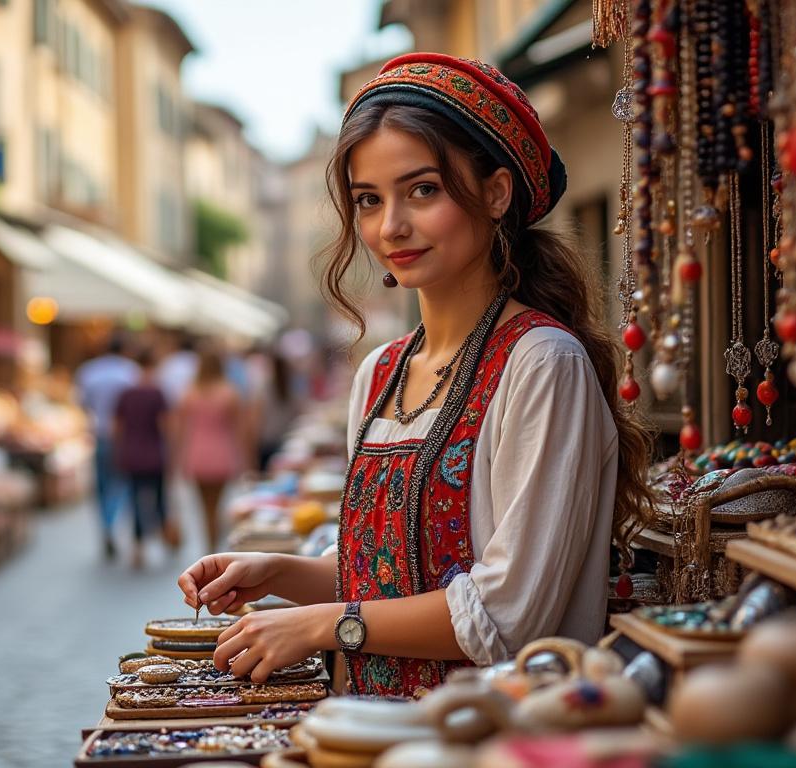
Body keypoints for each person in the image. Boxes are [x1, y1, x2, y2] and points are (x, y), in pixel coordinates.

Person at [177, 54, 654, 697]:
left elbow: (506, 616)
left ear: (495, 192)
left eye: (422, 190)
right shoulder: (381, 372)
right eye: (368, 201)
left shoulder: (542, 364)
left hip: (499, 738)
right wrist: (280, 572)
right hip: (372, 738)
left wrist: (326, 625)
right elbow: (389, 578)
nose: (390, 226)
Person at [75, 335, 140, 559]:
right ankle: (114, 523)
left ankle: (106, 526)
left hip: (100, 434)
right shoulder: (131, 372)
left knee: (102, 486)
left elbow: (83, 404)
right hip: (125, 437)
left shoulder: (89, 371)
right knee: (122, 484)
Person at [176, 348, 245, 552]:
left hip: (197, 455)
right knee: (217, 506)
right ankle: (214, 544)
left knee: (205, 508)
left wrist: (179, 458)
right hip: (222, 454)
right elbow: (238, 429)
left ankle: (209, 547)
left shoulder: (189, 393)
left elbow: (181, 430)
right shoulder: (229, 392)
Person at [112, 349, 176, 569]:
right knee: (159, 498)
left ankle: (138, 545)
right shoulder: (157, 393)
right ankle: (164, 535)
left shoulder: (126, 394)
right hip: (154, 454)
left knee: (135, 499)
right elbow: (165, 426)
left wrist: (119, 450)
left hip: (132, 454)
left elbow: (117, 428)